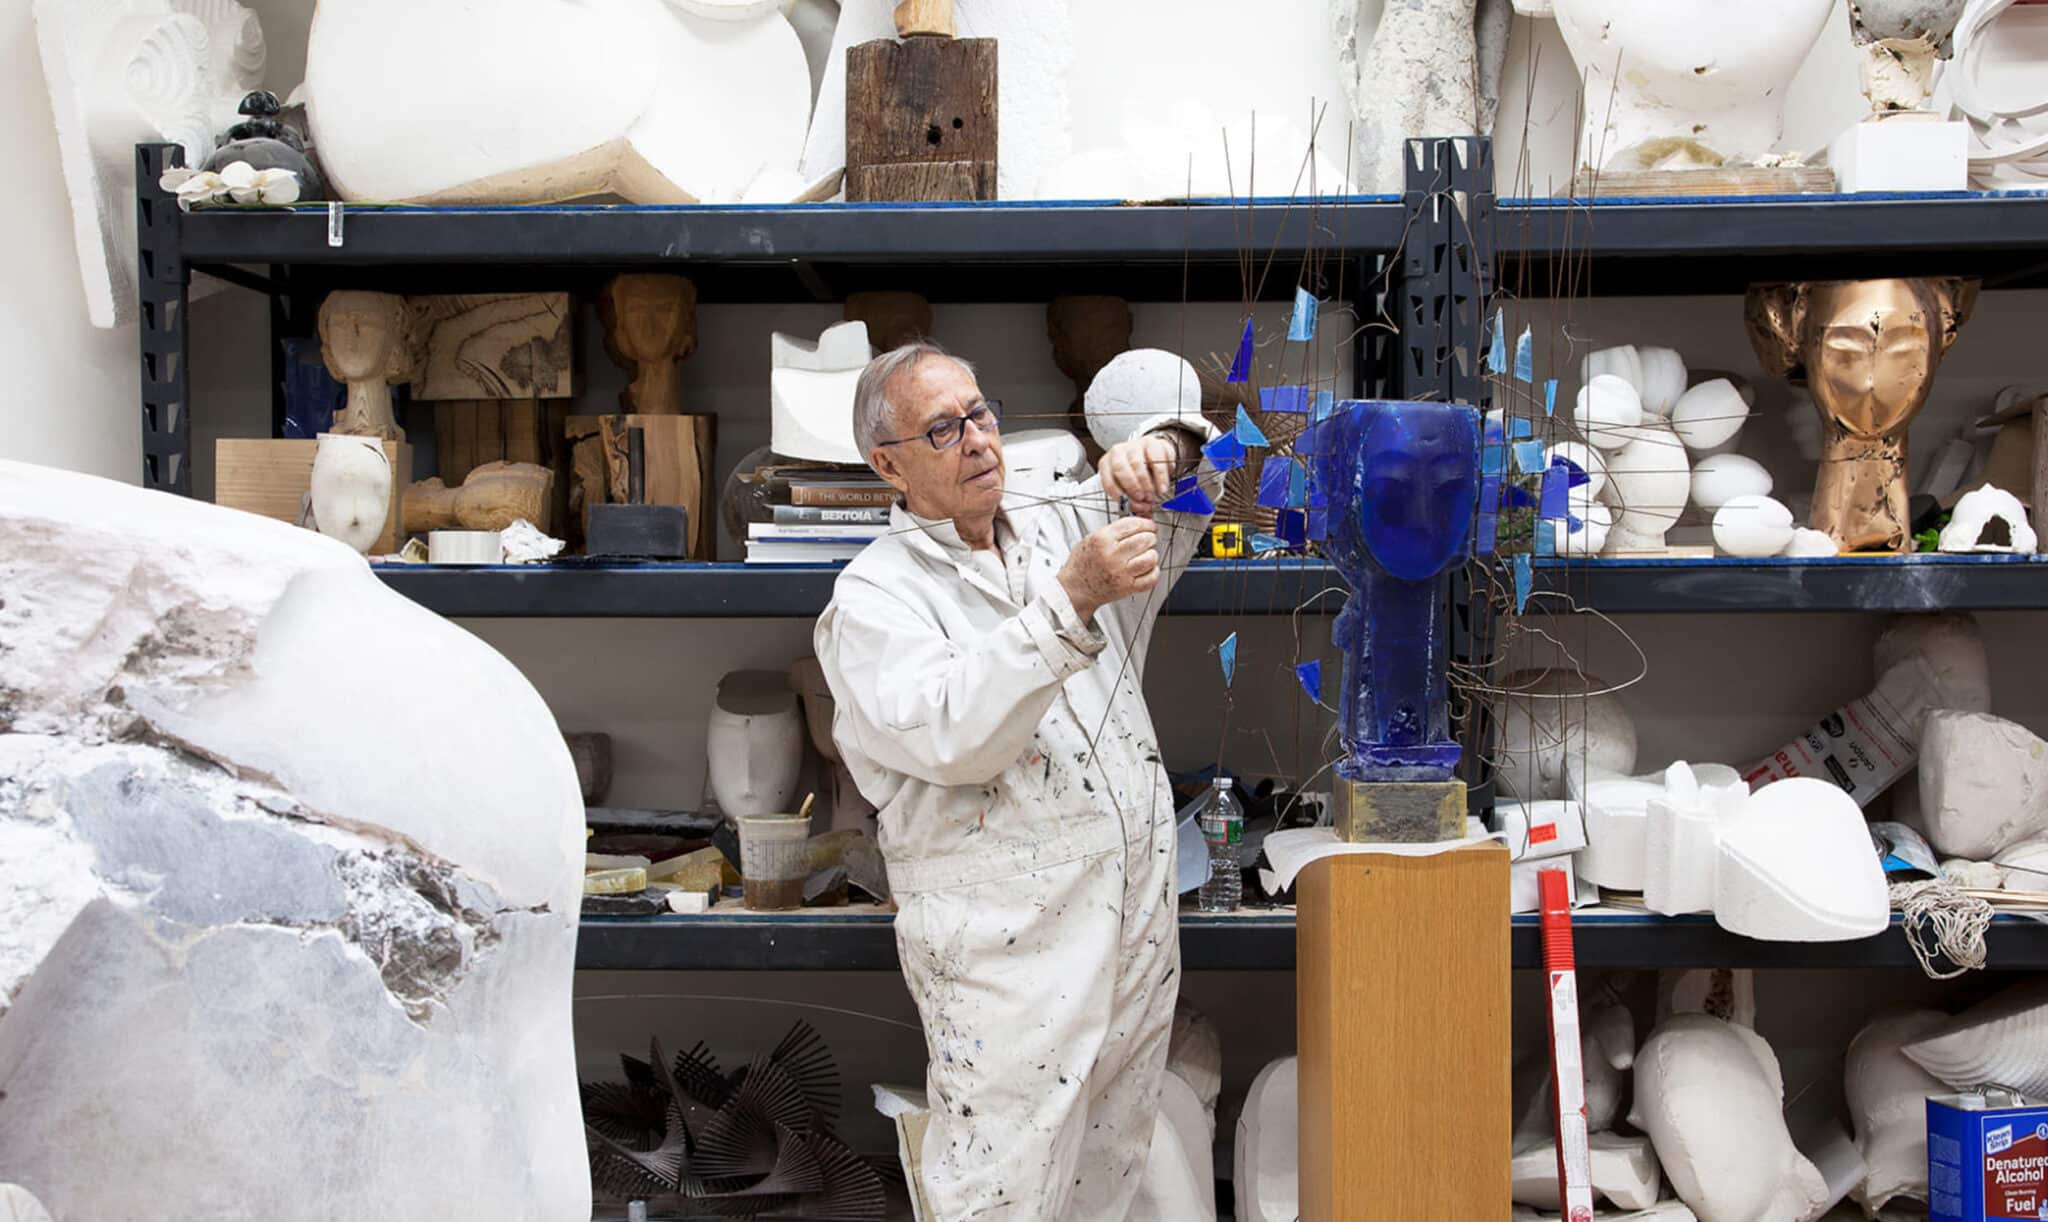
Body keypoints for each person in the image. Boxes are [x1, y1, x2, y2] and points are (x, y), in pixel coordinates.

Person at [815, 340, 1219, 1219]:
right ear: (889, 465)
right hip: (1007, 949)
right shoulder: (874, 600)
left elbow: (1191, 501)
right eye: (942, 429)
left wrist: (1162, 453)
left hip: (1131, 915)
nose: (978, 440)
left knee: (1107, 1174)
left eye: (982, 412)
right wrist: (1068, 602)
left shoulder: (1056, 524)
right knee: (999, 1190)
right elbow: (958, 733)